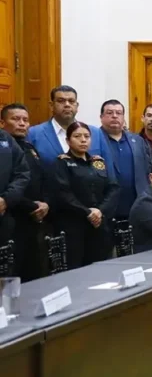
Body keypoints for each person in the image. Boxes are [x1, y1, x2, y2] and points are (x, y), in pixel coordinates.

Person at [51, 122, 118, 268]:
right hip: (75, 225)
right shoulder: (62, 163)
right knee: (76, 269)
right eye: (77, 136)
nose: (83, 140)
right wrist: (87, 212)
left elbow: (113, 188)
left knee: (100, 267)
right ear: (68, 140)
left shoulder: (98, 162)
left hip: (99, 223)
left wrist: (99, 211)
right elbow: (63, 193)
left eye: (87, 136)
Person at [1, 104, 49, 280]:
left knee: (34, 271)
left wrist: (45, 203)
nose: (22, 123)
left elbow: (39, 178)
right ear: (2, 123)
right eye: (16, 119)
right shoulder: (5, 147)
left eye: (25, 120)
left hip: (34, 219)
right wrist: (31, 206)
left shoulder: (29, 147)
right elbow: (9, 184)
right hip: (13, 215)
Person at [27, 85, 110, 168]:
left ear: (77, 106)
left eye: (71, 101)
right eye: (61, 101)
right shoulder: (34, 134)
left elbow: (108, 168)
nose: (67, 105)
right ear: (51, 105)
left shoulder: (96, 133)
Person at [99, 100, 151, 220]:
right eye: (109, 113)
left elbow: (146, 171)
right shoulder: (93, 140)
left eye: (119, 113)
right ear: (101, 117)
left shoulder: (138, 141)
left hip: (136, 207)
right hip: (105, 207)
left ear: (123, 117)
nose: (114, 116)